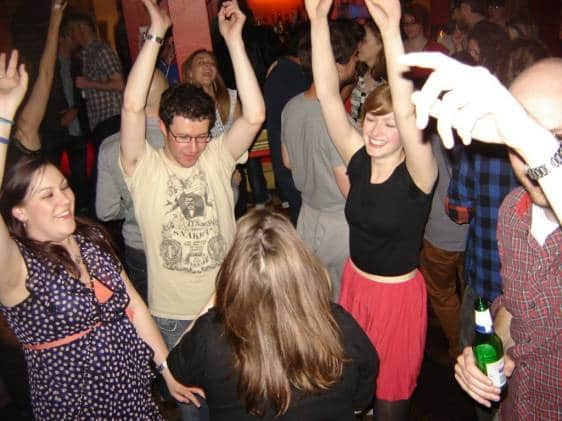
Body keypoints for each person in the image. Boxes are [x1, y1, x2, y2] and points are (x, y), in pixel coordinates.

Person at [0, 49, 200, 420]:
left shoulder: (89, 240)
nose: (65, 199)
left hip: (134, 397)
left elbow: (133, 305)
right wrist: (5, 116)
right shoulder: (17, 268)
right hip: (78, 409)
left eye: (64, 187)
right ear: (18, 210)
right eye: (47, 195)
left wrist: (166, 368)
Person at [119, 0, 264, 418]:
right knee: (194, 411)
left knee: (240, 403)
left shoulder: (216, 156)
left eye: (201, 137)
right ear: (163, 128)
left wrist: (233, 41)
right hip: (173, 318)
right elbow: (131, 106)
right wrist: (155, 34)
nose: (192, 148)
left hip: (229, 305)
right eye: (183, 137)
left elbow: (254, 115)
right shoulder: (141, 165)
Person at [400, 52, 561, 421]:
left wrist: (528, 135)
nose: (528, 158)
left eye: (555, 138)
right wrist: (491, 347)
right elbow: (515, 307)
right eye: (516, 139)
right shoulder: (513, 212)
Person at [306, 0, 437, 419]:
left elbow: (406, 108)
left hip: (397, 299)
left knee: (389, 403)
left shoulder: (419, 174)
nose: (377, 131)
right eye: (370, 120)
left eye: (389, 123)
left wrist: (391, 30)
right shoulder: (359, 158)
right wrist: (315, 21)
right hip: (354, 287)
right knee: (353, 396)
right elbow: (327, 95)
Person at [167, 209, 379, 420]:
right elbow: (362, 396)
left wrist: (218, 294)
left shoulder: (210, 334)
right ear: (302, 266)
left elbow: (176, 367)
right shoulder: (339, 324)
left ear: (235, 273)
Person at [281, 18, 360, 300]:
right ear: (337, 65)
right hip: (339, 226)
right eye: (354, 58)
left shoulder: (291, 106)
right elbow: (348, 187)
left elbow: (288, 161)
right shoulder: (334, 119)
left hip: (307, 219)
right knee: (344, 305)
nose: (356, 64)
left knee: (317, 298)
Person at [96, 69, 169, 303]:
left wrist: (130, 206)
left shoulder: (110, 146)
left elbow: (105, 211)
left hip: (140, 247)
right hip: (186, 243)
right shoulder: (186, 139)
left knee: (154, 315)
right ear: (167, 98)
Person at [6, 0, 66, 173]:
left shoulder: (23, 131)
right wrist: (55, 21)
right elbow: (46, 74)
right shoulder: (24, 131)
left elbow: (46, 75)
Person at [263, 24, 311, 224]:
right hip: (293, 157)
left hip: (285, 154)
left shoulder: (281, 67)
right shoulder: (292, 74)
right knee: (303, 213)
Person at [64, 11, 124, 146]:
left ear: (81, 28)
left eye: (72, 30)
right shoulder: (86, 54)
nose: (71, 35)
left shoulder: (101, 51)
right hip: (100, 122)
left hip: (112, 119)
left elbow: (119, 84)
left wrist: (88, 83)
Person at [350, 20, 386, 123]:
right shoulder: (358, 74)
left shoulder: (387, 83)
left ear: (380, 44)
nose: (358, 45)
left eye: (364, 41)